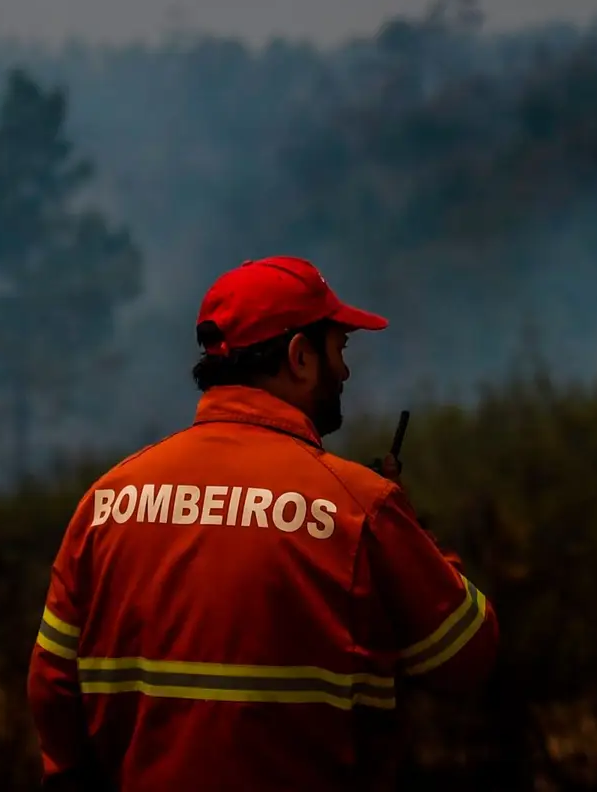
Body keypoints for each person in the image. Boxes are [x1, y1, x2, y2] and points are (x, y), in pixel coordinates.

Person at [27, 256, 499, 791]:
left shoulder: (107, 501)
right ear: (300, 357)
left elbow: (51, 686)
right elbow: (468, 654)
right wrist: (412, 532)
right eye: (340, 349)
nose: (345, 372)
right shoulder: (360, 507)